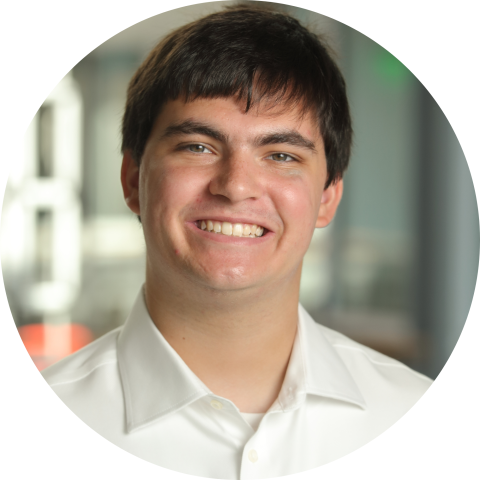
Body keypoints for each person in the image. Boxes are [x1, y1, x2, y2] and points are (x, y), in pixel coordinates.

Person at [42, 4, 432, 478]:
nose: (235, 185)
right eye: (198, 147)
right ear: (131, 179)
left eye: (282, 155)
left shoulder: (422, 421)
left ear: (328, 198)